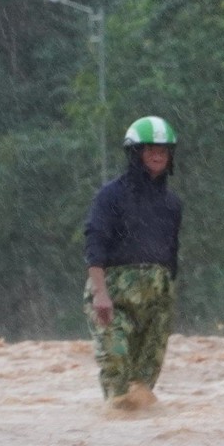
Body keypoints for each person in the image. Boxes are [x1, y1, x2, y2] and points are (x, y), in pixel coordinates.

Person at [83, 116, 183, 410]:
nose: (156, 155)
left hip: (156, 302)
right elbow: (95, 242)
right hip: (113, 298)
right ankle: (115, 431)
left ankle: (141, 439)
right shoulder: (110, 196)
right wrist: (101, 293)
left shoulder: (172, 204)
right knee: (116, 368)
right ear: (134, 153)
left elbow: (171, 255)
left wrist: (168, 299)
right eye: (150, 149)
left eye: (163, 151)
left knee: (143, 383)